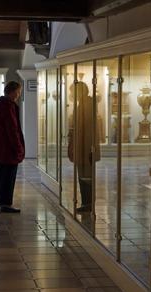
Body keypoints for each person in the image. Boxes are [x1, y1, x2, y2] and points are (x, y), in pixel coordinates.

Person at [0, 81, 25, 213]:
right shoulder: (8, 106)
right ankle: (6, 203)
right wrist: (18, 147)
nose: (19, 94)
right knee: (8, 176)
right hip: (7, 149)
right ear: (13, 92)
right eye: (18, 91)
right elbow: (12, 129)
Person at [67, 81, 100, 213]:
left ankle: (88, 203)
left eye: (72, 91)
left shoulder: (87, 104)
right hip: (83, 145)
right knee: (83, 175)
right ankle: (87, 202)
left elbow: (84, 127)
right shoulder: (84, 103)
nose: (71, 94)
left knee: (86, 175)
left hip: (86, 147)